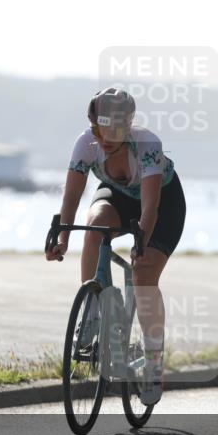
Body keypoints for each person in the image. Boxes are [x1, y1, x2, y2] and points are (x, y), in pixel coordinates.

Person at [45, 87, 186, 404]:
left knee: (144, 273)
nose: (105, 137)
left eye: (114, 130)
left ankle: (153, 362)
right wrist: (63, 238)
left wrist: (141, 245)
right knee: (94, 227)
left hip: (162, 204)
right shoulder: (86, 144)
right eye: (98, 128)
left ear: (128, 127)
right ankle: (93, 308)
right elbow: (72, 195)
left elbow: (150, 208)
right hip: (118, 198)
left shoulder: (147, 145)